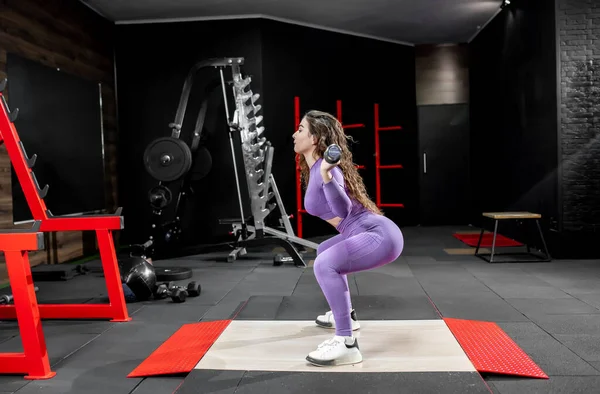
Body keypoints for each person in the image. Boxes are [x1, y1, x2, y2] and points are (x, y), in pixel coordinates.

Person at [293, 110, 404, 367]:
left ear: (315, 138)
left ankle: (346, 343)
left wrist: (328, 177)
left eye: (300, 129)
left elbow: (342, 211)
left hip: (379, 235)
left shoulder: (326, 170)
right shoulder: (317, 168)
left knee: (324, 265)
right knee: (324, 251)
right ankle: (347, 316)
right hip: (367, 231)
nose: (294, 134)